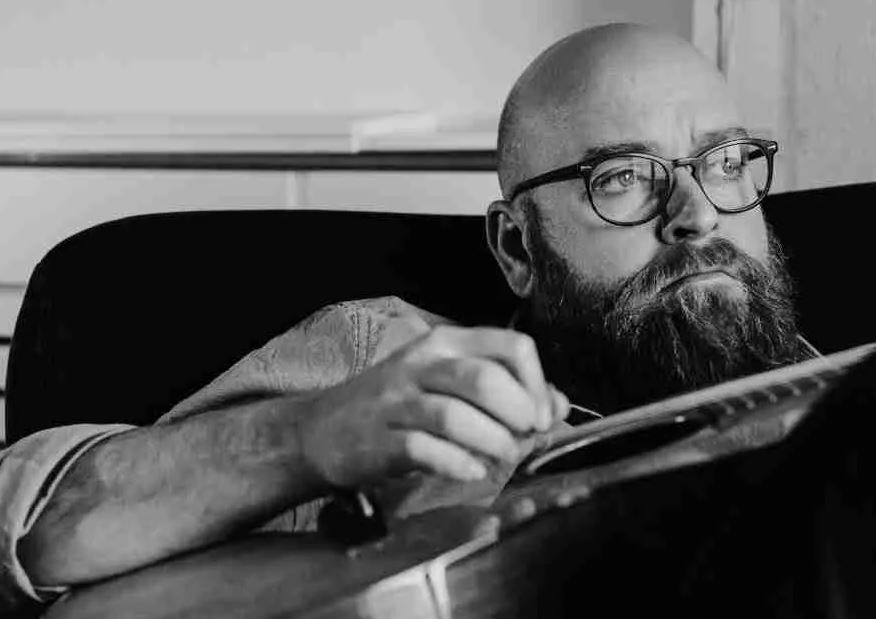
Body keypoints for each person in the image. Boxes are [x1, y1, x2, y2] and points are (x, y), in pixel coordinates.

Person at [0, 22, 812, 612]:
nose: (698, 214)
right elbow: (34, 547)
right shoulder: (385, 357)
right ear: (516, 247)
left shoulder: (846, 396)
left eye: (726, 161)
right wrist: (303, 437)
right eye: (626, 178)